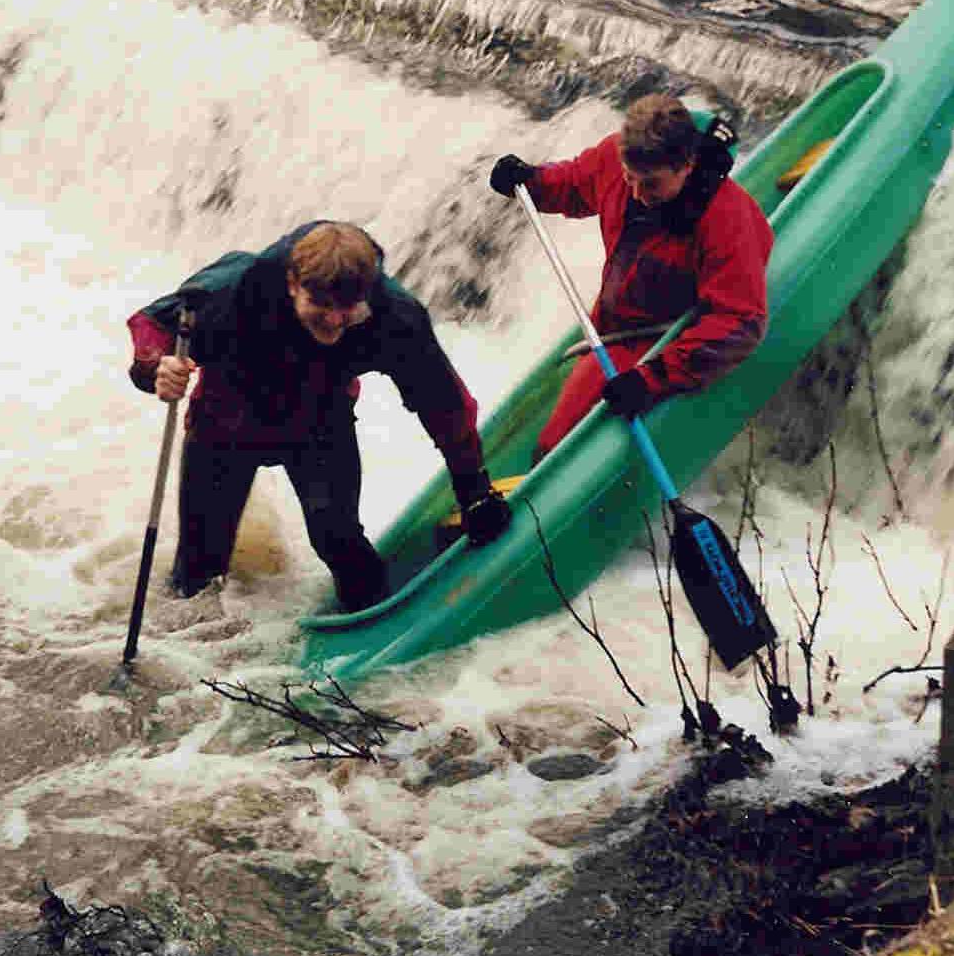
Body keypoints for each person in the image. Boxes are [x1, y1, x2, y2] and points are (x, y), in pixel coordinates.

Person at [126, 220, 512, 612]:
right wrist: (156, 368)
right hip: (224, 424)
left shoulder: (394, 317)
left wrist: (474, 491)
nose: (333, 320)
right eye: (321, 305)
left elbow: (445, 407)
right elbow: (150, 325)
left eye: (348, 309)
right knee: (198, 570)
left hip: (319, 425)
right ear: (293, 283)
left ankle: (369, 619)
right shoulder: (230, 290)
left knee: (338, 539)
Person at [489, 93, 773, 461]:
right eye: (629, 178)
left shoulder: (729, 219)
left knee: (557, 451)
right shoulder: (618, 157)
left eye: (651, 184)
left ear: (687, 166)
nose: (636, 194)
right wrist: (531, 181)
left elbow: (741, 322)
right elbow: (575, 183)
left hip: (666, 341)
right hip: (612, 328)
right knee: (550, 450)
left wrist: (651, 378)